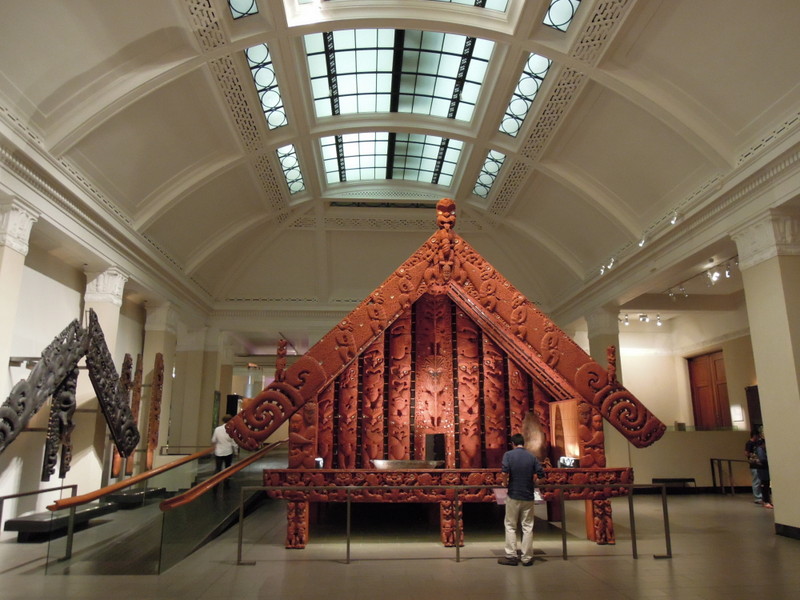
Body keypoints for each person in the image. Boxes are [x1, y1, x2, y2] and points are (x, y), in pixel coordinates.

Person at [498, 433, 546, 566]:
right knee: (527, 526)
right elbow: (541, 474)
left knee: (510, 525)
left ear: (513, 444)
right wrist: (535, 482)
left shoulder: (508, 455)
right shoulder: (531, 456)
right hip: (528, 495)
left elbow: (504, 472)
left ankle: (511, 555)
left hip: (514, 494)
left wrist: (504, 483)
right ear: (523, 443)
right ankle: (527, 557)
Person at [755, 436, 773, 509]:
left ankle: (766, 500)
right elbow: (763, 460)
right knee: (765, 486)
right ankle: (766, 501)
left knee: (765, 485)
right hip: (763, 471)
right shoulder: (760, 450)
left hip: (763, 470)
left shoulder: (760, 449)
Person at [745, 428, 762, 504]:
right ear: (755, 435)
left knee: (759, 480)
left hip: (758, 464)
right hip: (754, 464)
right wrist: (754, 456)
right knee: (756, 481)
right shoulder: (749, 443)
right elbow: (746, 453)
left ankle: (760, 496)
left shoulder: (758, 442)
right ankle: (757, 497)